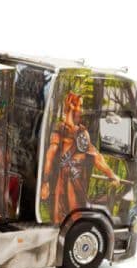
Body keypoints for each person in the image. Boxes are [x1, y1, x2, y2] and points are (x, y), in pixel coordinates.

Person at [42, 91, 120, 221]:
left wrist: (111, 174)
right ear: (71, 106)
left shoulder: (81, 132)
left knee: (75, 217)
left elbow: (96, 156)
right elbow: (50, 156)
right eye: (79, 106)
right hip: (65, 180)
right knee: (65, 217)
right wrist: (45, 182)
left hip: (78, 180)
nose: (81, 110)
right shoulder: (61, 130)